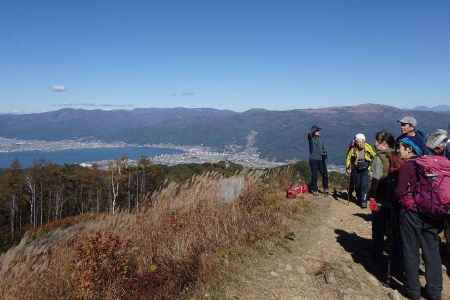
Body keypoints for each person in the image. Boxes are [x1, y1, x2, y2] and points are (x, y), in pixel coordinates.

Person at [396, 137, 443, 300]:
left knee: (411, 251)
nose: (399, 151)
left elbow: (400, 192)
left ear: (410, 149)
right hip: (433, 214)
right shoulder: (431, 164)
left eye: (401, 148)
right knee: (432, 252)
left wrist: (406, 203)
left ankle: (413, 291)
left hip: (412, 214)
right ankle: (435, 291)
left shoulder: (408, 166)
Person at [345, 133, 376, 208]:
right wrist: (348, 167)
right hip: (356, 169)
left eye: (361, 141)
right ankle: (359, 198)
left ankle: (364, 201)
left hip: (365, 169)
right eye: (358, 142)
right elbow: (348, 158)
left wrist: (373, 166)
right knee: (358, 185)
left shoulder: (367, 147)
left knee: (364, 185)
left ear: (364, 141)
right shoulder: (353, 149)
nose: (359, 143)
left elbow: (374, 155)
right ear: (355, 142)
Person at [307, 125, 329, 195]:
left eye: (319, 130)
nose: (319, 131)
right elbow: (309, 135)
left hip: (321, 159)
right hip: (313, 159)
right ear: (314, 131)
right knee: (314, 175)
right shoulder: (311, 139)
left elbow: (323, 148)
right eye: (317, 130)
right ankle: (314, 189)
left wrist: (325, 153)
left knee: (325, 174)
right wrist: (312, 131)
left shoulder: (321, 139)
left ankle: (326, 188)